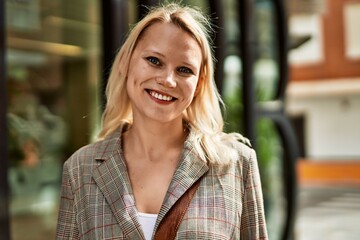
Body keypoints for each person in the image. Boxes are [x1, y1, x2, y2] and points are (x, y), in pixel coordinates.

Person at [56, 3, 268, 240]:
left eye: (184, 70)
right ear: (126, 61)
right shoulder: (80, 169)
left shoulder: (236, 164)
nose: (168, 80)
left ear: (199, 83)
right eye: (154, 61)